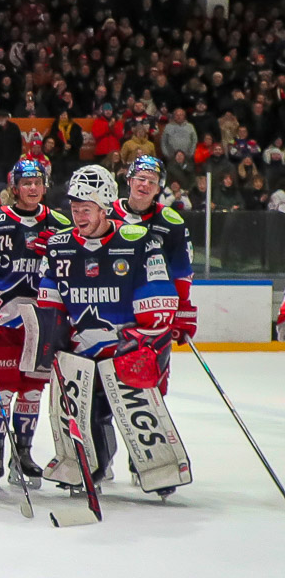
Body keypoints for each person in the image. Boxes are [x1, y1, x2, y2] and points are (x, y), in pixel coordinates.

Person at [37, 167, 181, 493]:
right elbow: (50, 301)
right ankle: (92, 465)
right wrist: (51, 337)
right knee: (88, 410)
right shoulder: (59, 246)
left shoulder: (139, 240)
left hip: (130, 347)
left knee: (135, 405)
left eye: (85, 209)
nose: (78, 216)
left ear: (104, 208)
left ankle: (156, 466)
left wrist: (143, 342)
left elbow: (159, 303)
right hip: (84, 351)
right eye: (74, 209)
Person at [0, 158, 69, 487]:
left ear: (45, 186)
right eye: (26, 183)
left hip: (43, 323)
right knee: (1, 391)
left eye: (37, 183)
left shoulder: (60, 224)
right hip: (5, 321)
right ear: (14, 187)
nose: (32, 188)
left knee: (32, 393)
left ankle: (23, 454)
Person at [112, 154, 196, 357]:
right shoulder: (107, 215)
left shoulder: (171, 223)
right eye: (141, 178)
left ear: (159, 189)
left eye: (152, 182)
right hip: (113, 305)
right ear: (129, 180)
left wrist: (182, 309)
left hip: (153, 308)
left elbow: (181, 272)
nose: (145, 185)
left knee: (150, 369)